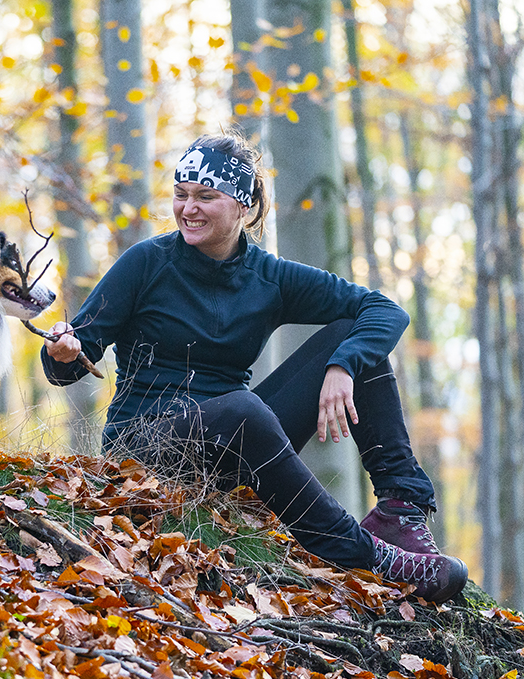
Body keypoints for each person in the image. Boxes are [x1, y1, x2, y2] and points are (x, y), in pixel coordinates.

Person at [41, 132, 468, 603]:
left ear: (242, 206)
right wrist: (62, 350)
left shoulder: (269, 276)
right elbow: (72, 358)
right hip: (145, 445)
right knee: (245, 408)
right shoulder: (147, 262)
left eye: (206, 196)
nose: (189, 208)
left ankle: (400, 510)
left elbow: (385, 310)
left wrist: (343, 366)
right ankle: (362, 553)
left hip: (237, 444)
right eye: (181, 195)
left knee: (354, 336)